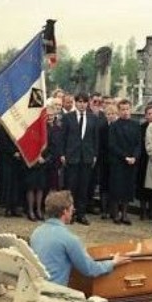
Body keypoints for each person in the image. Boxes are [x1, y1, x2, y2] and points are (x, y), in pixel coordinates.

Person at [30, 190, 131, 286]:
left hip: (37, 287)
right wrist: (113, 262)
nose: (72, 212)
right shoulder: (69, 239)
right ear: (65, 211)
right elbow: (89, 269)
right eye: (72, 210)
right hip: (55, 292)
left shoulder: (36, 232)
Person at [60, 93, 99, 225]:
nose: (82, 104)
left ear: (88, 103)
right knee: (71, 186)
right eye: (79, 102)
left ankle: (81, 214)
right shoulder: (67, 118)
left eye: (84, 102)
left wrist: (94, 155)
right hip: (72, 156)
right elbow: (63, 137)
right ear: (75, 103)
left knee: (83, 187)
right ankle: (69, 214)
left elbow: (95, 139)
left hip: (86, 157)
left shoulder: (93, 118)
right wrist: (62, 154)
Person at [107, 99, 141, 225]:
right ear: (119, 111)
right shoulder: (114, 126)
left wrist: (135, 157)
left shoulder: (136, 125)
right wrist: (125, 157)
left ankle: (125, 214)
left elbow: (138, 144)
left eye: (127, 109)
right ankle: (115, 214)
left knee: (128, 188)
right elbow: (112, 145)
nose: (125, 112)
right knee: (117, 188)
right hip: (118, 161)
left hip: (132, 162)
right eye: (123, 109)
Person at [136, 103, 152, 221]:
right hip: (143, 160)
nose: (151, 116)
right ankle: (142, 210)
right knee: (142, 186)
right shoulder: (141, 128)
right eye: (149, 114)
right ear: (145, 116)